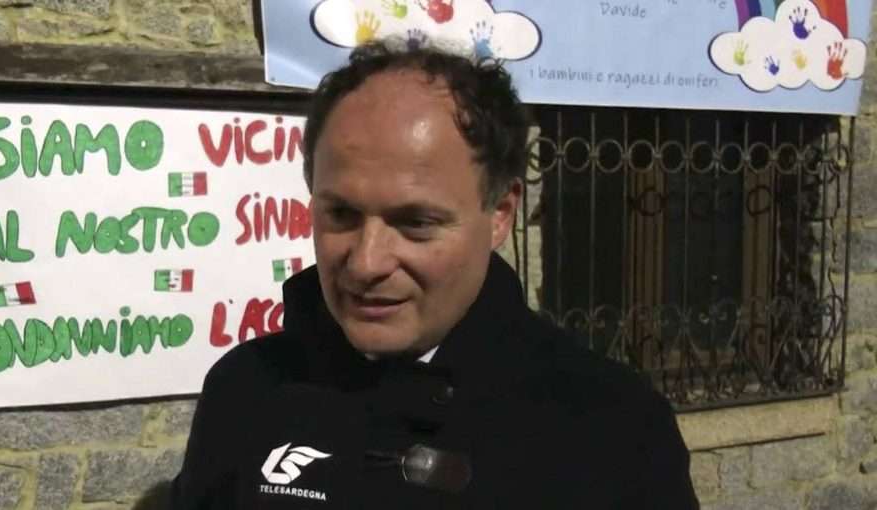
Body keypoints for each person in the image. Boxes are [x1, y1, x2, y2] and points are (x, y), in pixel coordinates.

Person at [171, 40, 699, 509]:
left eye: (416, 223)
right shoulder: (246, 390)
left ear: (500, 213)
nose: (367, 262)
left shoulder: (613, 428)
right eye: (341, 214)